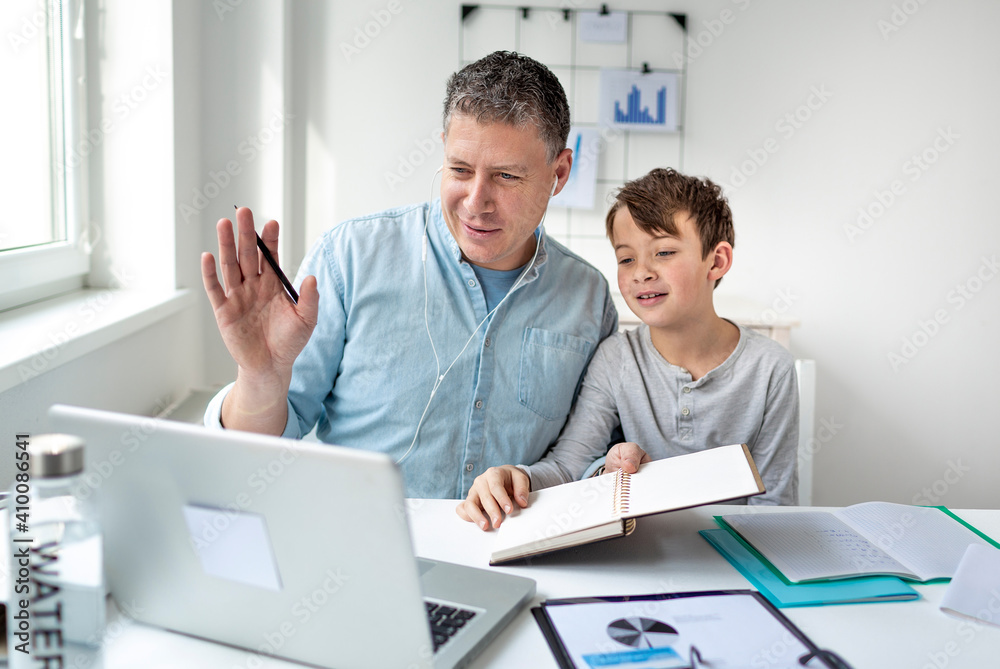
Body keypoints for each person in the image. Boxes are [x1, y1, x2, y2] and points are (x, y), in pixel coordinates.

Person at [200, 51, 618, 499]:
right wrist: (260, 377)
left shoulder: (588, 298)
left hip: (518, 561)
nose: (476, 201)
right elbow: (258, 455)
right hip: (361, 556)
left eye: (506, 176)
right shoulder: (351, 259)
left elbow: (588, 457)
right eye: (459, 169)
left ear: (559, 173)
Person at [457, 167, 799, 529]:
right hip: (644, 552)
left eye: (664, 252)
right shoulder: (616, 359)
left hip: (735, 555)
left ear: (716, 261)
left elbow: (775, 504)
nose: (641, 273)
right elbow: (568, 466)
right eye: (626, 259)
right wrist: (517, 478)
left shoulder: (770, 367)